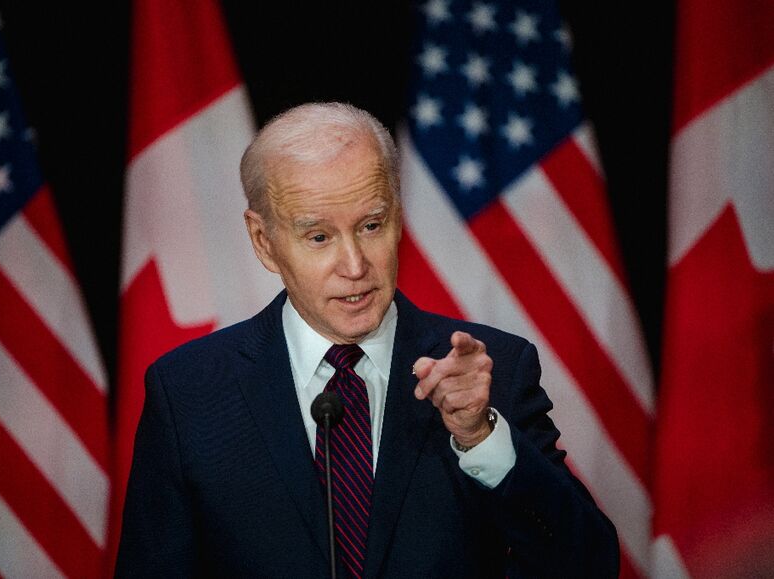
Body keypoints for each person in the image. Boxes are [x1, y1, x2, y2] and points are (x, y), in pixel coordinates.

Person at [115, 102, 619, 578]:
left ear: (397, 217)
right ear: (264, 242)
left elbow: (588, 564)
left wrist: (481, 436)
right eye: (319, 237)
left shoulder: (492, 371)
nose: (355, 267)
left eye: (371, 226)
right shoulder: (190, 390)